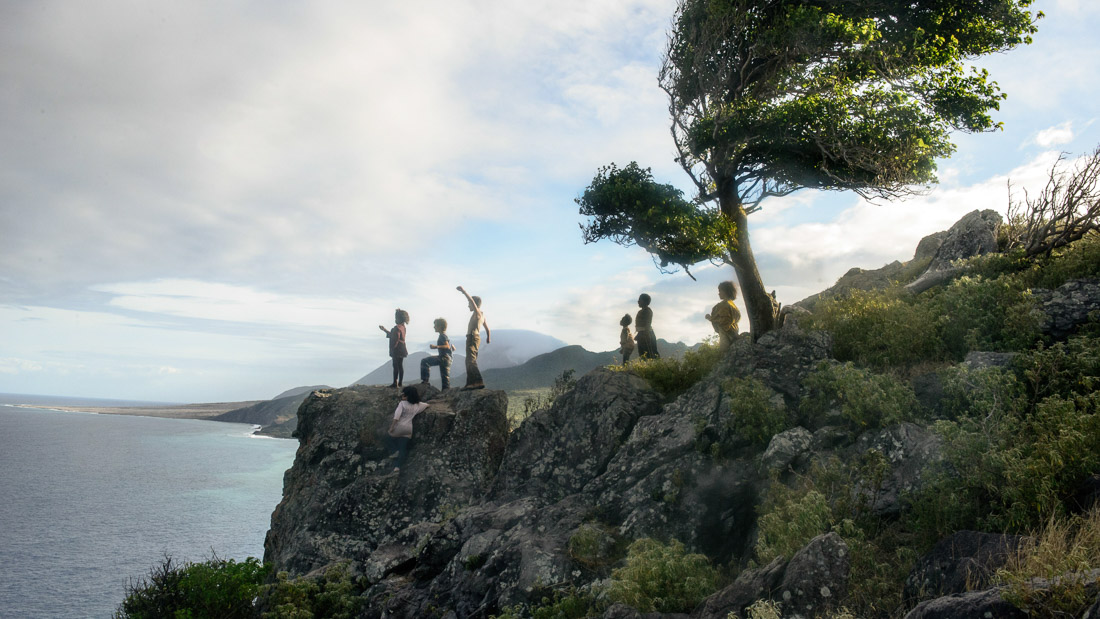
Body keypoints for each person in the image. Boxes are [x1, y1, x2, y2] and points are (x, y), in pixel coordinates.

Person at [387, 386, 428, 472]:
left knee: (389, 437)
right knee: (403, 448)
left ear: (407, 396)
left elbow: (397, 417)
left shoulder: (402, 404)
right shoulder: (418, 405)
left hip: (399, 427)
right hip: (409, 429)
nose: (402, 395)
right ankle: (397, 467)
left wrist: (391, 428)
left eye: (404, 394)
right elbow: (427, 405)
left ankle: (394, 451)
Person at [457, 285, 490, 390]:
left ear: (474, 304)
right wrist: (488, 338)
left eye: (469, 304)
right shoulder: (482, 315)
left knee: (470, 360)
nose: (468, 306)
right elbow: (488, 329)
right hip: (475, 338)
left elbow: (470, 299)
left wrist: (463, 291)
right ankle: (470, 383)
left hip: (472, 337)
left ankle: (478, 381)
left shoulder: (477, 313)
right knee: (469, 360)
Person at [420, 317, 456, 389]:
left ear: (440, 326)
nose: (434, 327)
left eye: (435, 325)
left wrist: (435, 346)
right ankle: (446, 390)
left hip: (444, 358)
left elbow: (447, 346)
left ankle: (425, 381)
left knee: (425, 361)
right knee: (445, 378)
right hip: (448, 359)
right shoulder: (445, 335)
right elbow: (450, 347)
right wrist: (452, 349)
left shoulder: (442, 336)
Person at [705, 281, 741, 352]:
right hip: (735, 332)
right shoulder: (732, 304)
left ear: (725, 291)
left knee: (724, 353)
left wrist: (710, 318)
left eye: (720, 291)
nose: (719, 293)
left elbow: (724, 322)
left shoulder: (723, 305)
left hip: (726, 335)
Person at [378, 309, 410, 388]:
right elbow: (395, 336)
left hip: (397, 349)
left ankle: (395, 383)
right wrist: (384, 329)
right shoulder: (403, 327)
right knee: (400, 366)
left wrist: (393, 348)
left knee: (395, 365)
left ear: (399, 318)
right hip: (402, 348)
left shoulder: (397, 328)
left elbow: (395, 339)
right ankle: (400, 383)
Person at [634, 293, 660, 359]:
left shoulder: (648, 311)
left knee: (650, 354)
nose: (638, 301)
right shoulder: (640, 311)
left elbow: (648, 323)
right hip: (641, 334)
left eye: (640, 300)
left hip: (647, 334)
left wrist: (646, 335)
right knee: (642, 354)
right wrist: (639, 334)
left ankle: (656, 365)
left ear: (645, 302)